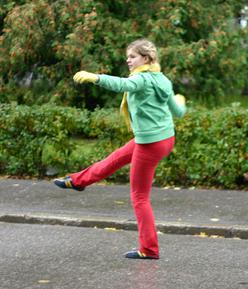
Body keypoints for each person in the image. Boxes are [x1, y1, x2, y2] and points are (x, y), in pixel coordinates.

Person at [54, 38, 186, 259]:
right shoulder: (162, 79)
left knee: (139, 197)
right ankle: (78, 181)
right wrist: (180, 100)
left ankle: (149, 249)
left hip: (150, 142)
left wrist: (96, 78)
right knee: (115, 159)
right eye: (128, 56)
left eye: (132, 56)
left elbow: (124, 85)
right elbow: (178, 112)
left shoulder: (141, 80)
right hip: (163, 139)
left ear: (145, 58)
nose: (128, 60)